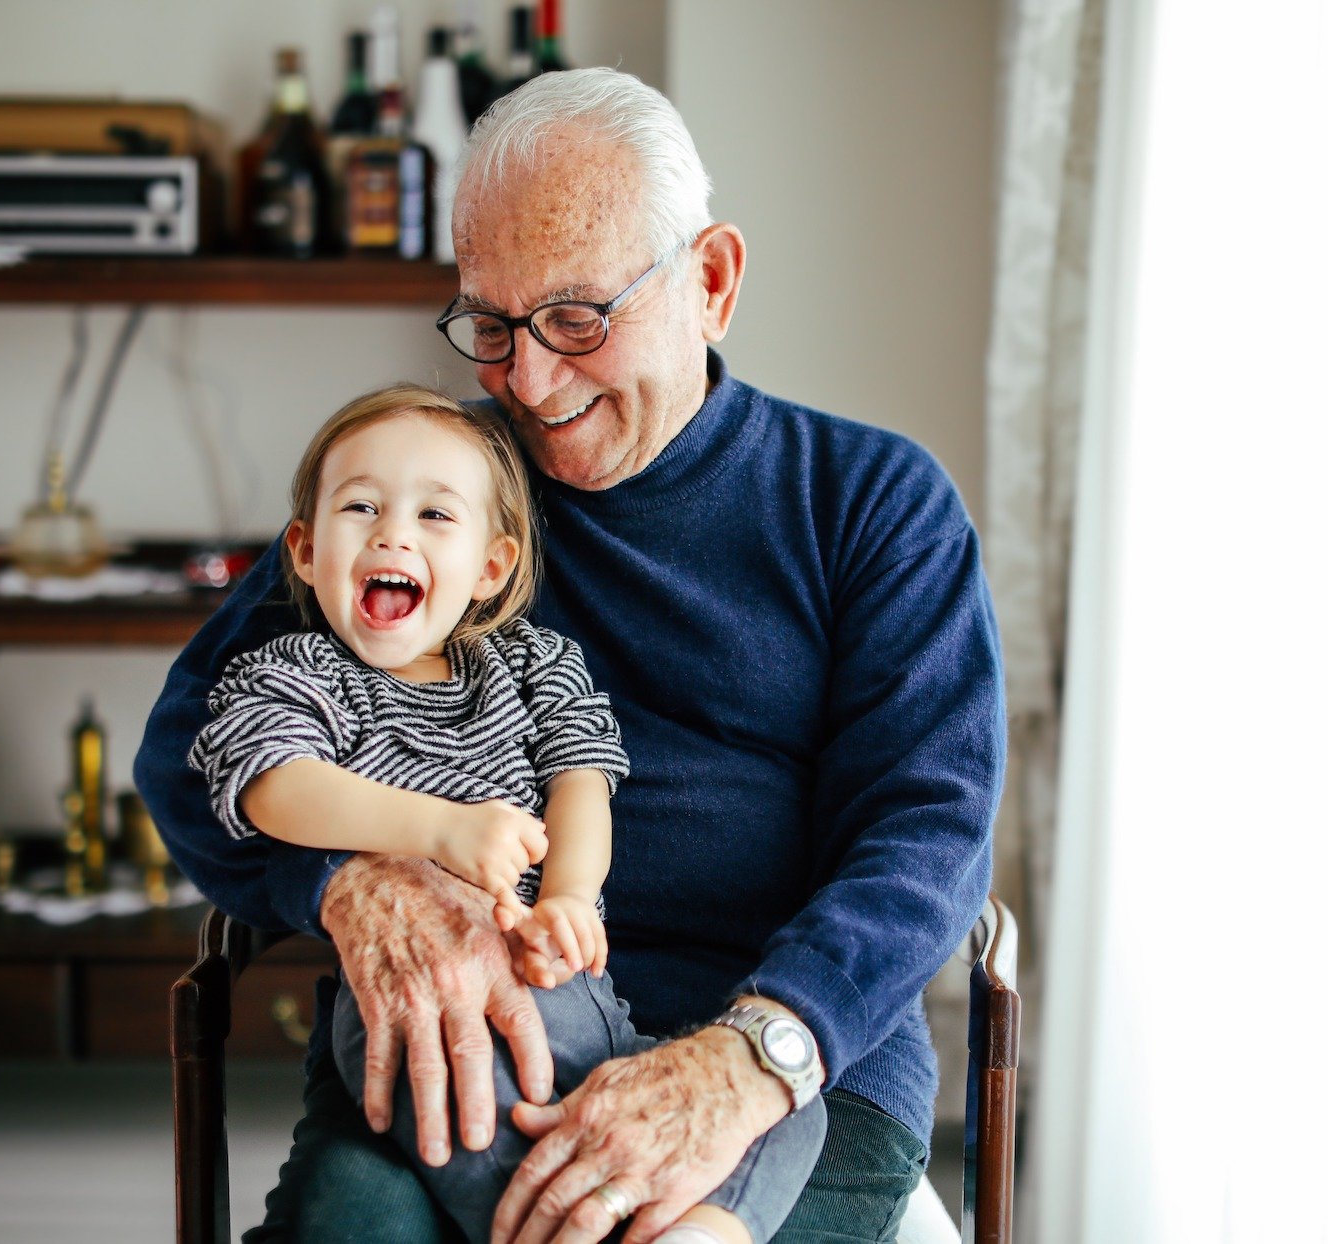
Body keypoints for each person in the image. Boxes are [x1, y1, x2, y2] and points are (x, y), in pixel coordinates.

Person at [136, 67, 1004, 1244]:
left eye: (577, 319)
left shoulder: (870, 502)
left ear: (711, 281)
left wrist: (746, 1061)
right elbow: (195, 743)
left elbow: (928, 831)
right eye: (490, 324)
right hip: (470, 1035)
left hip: (782, 1061)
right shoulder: (434, 494)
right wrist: (350, 878)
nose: (529, 384)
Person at [184, 384, 826, 1243]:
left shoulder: (531, 664)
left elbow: (583, 780)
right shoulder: (300, 673)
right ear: (303, 550)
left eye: (434, 515)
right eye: (361, 506)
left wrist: (567, 894)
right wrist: (439, 830)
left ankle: (703, 1231)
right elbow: (272, 783)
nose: (393, 533)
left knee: (788, 1106)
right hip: (417, 1006)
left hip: (580, 1001)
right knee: (460, 1106)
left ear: (491, 566)